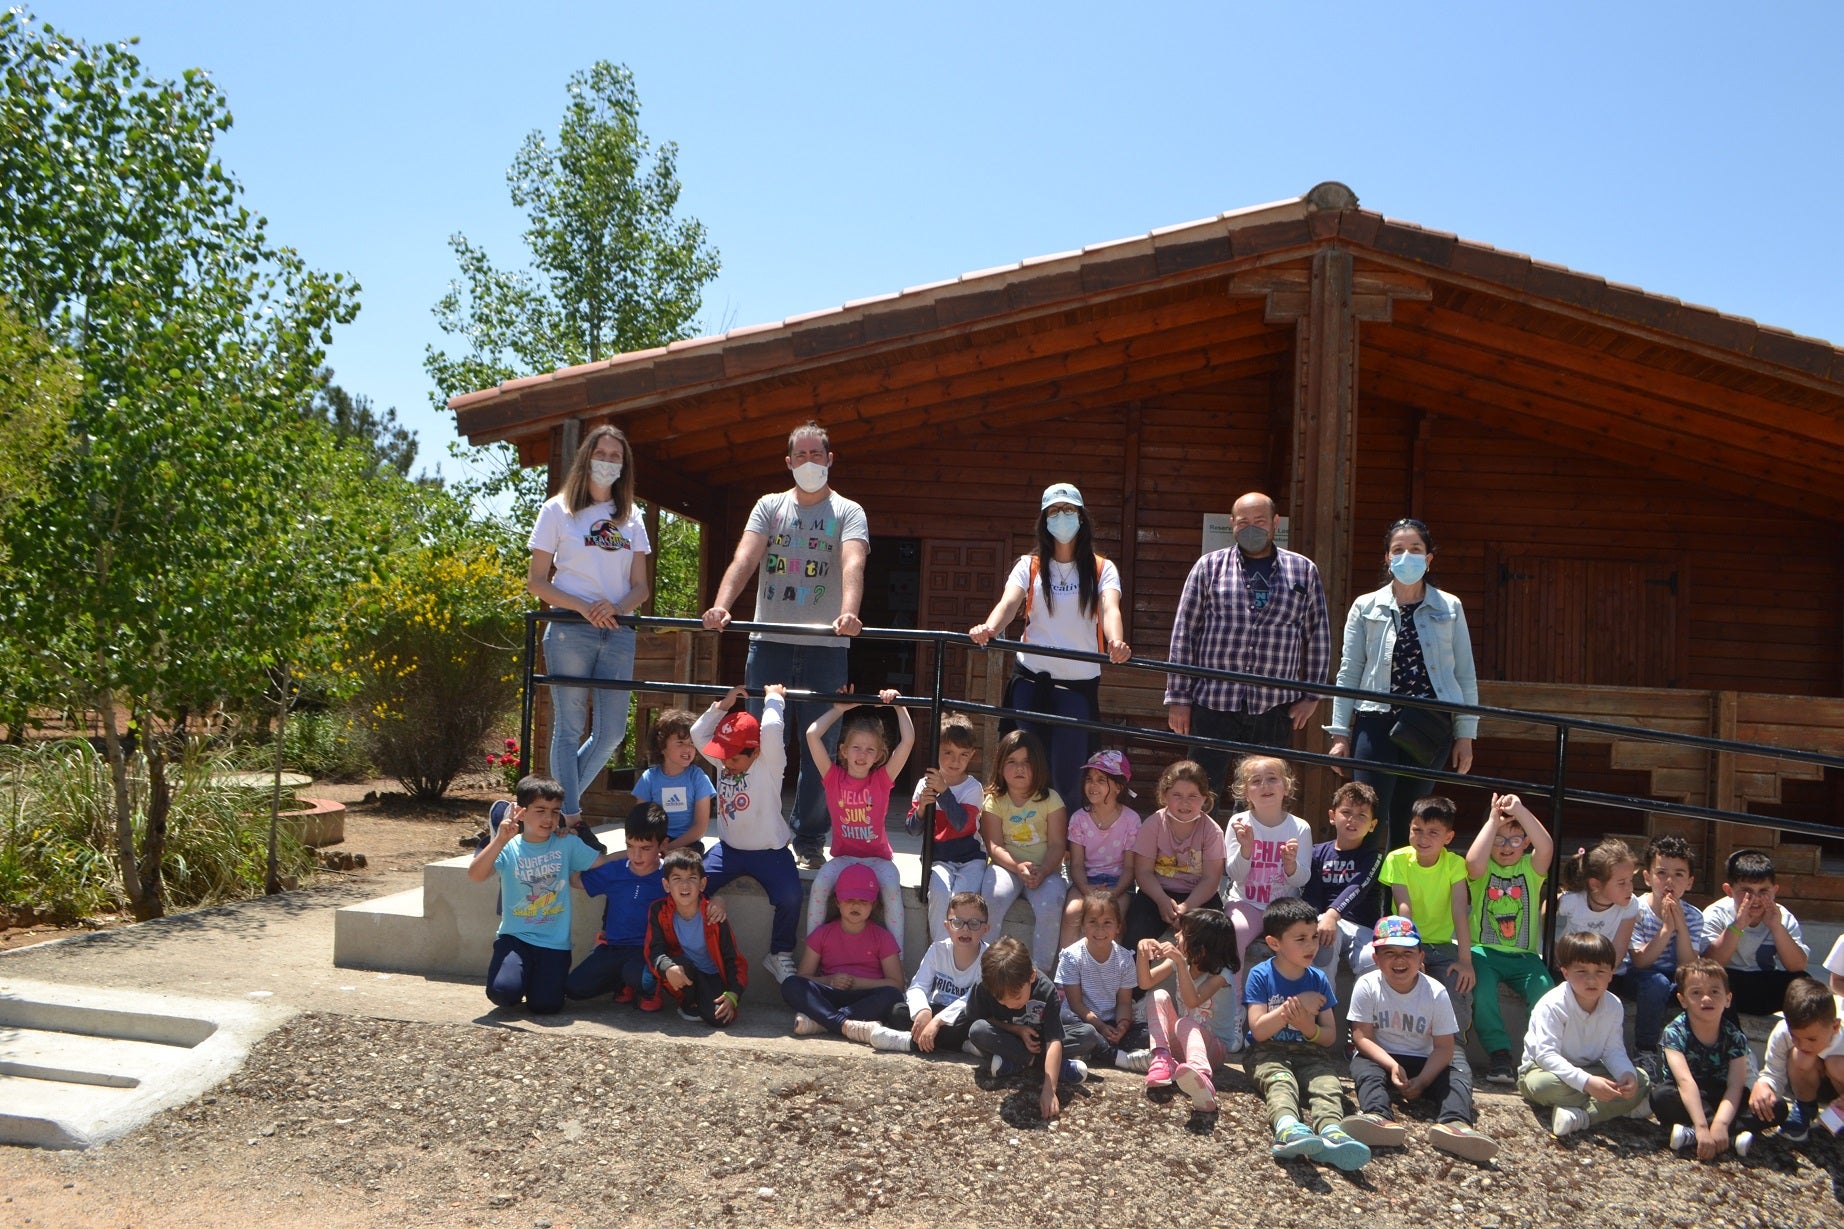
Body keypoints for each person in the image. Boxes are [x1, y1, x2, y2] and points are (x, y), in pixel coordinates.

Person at [702, 421, 870, 870]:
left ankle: (810, 837)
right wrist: (720, 606)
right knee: (754, 741)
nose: (809, 462)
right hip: (769, 644)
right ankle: (755, 828)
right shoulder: (769, 506)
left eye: (818, 454)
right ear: (789, 462)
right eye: (801, 455)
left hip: (825, 648)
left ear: (830, 459)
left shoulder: (848, 510)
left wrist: (849, 612)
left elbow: (853, 560)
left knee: (819, 746)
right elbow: (746, 556)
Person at [968, 482, 1131, 805]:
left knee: (1069, 768)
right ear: (1043, 520)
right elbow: (1009, 604)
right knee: (1024, 763)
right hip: (1031, 679)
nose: (1062, 517)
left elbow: (1110, 607)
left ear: (1082, 517)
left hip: (1077, 685)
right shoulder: (1029, 566)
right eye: (1054, 512)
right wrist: (989, 627)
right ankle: (1021, 836)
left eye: (1069, 510)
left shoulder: (1102, 568)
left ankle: (1066, 841)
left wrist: (1116, 641)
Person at [1164, 491, 1330, 804]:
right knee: (1201, 789)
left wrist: (1312, 696)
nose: (1251, 528)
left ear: (1275, 523)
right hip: (1213, 701)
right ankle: (1196, 853)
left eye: (1259, 521)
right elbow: (1184, 633)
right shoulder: (1208, 568)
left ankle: (1253, 853)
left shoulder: (1303, 571)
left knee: (1262, 795)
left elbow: (1318, 634)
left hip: (1273, 705)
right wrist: (1178, 697)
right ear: (1232, 524)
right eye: (1243, 522)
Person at [526, 424, 652, 836]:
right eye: (602, 453)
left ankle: (554, 807)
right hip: (569, 631)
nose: (608, 461)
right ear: (586, 457)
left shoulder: (633, 518)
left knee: (613, 730)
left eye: (617, 456)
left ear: (624, 466)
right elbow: (537, 581)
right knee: (568, 727)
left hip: (618, 631)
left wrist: (613, 610)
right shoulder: (557, 510)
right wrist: (584, 607)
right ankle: (573, 819)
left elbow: (641, 587)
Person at [1324, 518, 1479, 848]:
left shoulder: (1450, 606)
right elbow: (1349, 672)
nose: (1406, 556)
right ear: (1387, 558)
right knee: (1367, 816)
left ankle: (1396, 899)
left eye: (1415, 549)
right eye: (1398, 550)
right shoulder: (1365, 606)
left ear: (1429, 558)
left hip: (1428, 725)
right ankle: (1361, 896)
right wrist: (1340, 733)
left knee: (1410, 821)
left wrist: (1466, 732)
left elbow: (1464, 673)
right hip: (1374, 722)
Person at [1340, 917, 1499, 1163]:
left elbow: (1445, 1047)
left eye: (1407, 952)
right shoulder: (1367, 984)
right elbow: (1362, 1036)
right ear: (1376, 959)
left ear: (1421, 957)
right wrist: (1392, 1065)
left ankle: (1455, 1124)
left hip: (1427, 1059)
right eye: (1389, 953)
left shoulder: (1435, 991)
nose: (1399, 960)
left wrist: (1424, 1080)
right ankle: (1377, 1115)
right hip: (1384, 1055)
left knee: (1457, 1075)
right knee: (1363, 1068)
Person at [1243, 897, 1368, 1170]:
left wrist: (1307, 1027)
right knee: (1280, 1082)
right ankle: (1288, 1129)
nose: (1311, 945)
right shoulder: (1260, 975)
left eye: (1313, 936)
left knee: (1327, 1084)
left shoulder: (1318, 979)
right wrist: (1295, 1007)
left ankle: (1332, 1133)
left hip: (1310, 1052)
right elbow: (1259, 1030)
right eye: (1300, 939)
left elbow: (1329, 1036)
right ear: (1274, 943)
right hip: (1267, 1052)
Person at [689, 684, 802, 984]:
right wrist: (721, 708)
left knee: (791, 896)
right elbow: (698, 735)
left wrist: (774, 699)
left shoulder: (770, 764)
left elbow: (772, 730)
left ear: (756, 751)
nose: (725, 763)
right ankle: (692, 945)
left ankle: (780, 954)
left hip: (770, 852)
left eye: (734, 759)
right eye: (723, 756)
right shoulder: (724, 759)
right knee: (689, 884)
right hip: (728, 851)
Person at [469, 775, 609, 1015]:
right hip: (516, 938)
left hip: (554, 944)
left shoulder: (566, 844)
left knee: (546, 1006)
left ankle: (535, 979)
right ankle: (516, 974)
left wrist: (639, 856)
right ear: (522, 813)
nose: (549, 818)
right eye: (540, 810)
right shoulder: (510, 846)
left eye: (555, 812)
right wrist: (500, 840)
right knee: (503, 992)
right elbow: (476, 875)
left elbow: (602, 861)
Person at [804, 689, 914, 959]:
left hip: (878, 859)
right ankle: (812, 953)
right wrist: (839, 709)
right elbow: (811, 734)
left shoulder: (881, 779)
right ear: (843, 750)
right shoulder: (833, 777)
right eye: (856, 747)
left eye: (870, 750)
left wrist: (899, 706)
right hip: (843, 857)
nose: (862, 755)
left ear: (878, 755)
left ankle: (895, 959)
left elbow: (908, 741)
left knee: (891, 887)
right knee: (819, 884)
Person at [1518, 931, 1651, 1138]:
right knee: (1542, 1086)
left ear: (1611, 973)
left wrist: (1626, 1075)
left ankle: (1582, 1116)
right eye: (1581, 971)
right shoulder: (1553, 1004)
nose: (1591, 979)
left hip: (1591, 1068)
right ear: (1565, 972)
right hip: (1544, 1071)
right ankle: (1617, 1107)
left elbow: (1613, 1050)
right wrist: (1587, 1083)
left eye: (1600, 971)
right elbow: (1546, 1056)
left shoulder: (1613, 1005)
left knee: (1640, 1079)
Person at [1463, 793, 1555, 1086]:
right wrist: (1493, 820)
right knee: (1483, 992)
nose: (1506, 847)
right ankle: (1500, 1054)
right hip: (1484, 953)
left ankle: (1542, 1055)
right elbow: (1472, 861)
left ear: (1525, 843)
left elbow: (1547, 846)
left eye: (1515, 840)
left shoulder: (1531, 868)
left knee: (1545, 992)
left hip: (1525, 958)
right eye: (1499, 840)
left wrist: (1520, 811)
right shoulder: (1483, 871)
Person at [1223, 754, 1312, 1040]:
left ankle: (1293, 1017)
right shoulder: (1238, 822)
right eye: (1256, 781)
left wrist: (1290, 866)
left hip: (1283, 907)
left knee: (1299, 943)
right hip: (1245, 902)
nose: (1265, 786)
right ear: (1245, 791)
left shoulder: (1300, 827)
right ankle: (1235, 1012)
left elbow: (1302, 879)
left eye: (1272, 778)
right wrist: (1246, 849)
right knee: (1234, 932)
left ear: (1286, 786)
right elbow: (1235, 874)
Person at [963, 936, 1100, 1122]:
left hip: (1040, 1038)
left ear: (1032, 976)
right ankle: (1053, 1066)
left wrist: (1049, 1089)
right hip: (1010, 1038)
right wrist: (1015, 1029)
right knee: (977, 1031)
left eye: (1017, 997)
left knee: (1088, 1035)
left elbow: (1054, 1040)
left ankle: (1015, 1063)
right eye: (1001, 1000)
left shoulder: (1045, 989)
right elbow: (979, 1018)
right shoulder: (986, 984)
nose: (1011, 1005)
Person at [842, 891, 990, 1055]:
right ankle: (959, 1045)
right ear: (947, 926)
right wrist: (923, 1011)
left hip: (958, 1016)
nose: (965, 929)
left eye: (974, 924)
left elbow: (970, 1000)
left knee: (973, 1023)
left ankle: (907, 1042)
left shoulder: (989, 958)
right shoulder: (937, 949)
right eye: (957, 922)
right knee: (897, 1011)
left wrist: (937, 1022)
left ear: (986, 929)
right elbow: (918, 985)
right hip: (934, 1009)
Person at [565, 803, 682, 1009]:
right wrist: (573, 846)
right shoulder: (615, 870)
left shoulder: (669, 876)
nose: (636, 856)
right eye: (630, 846)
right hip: (613, 948)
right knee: (574, 988)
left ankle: (648, 989)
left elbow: (697, 895)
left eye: (645, 848)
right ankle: (623, 984)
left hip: (648, 950)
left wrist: (718, 902)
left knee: (635, 973)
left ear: (663, 844)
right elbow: (576, 881)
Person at [1378, 797, 1474, 1038]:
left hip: (1441, 946)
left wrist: (1465, 960)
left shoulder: (1454, 864)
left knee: (1456, 986)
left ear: (1448, 837)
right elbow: (1404, 907)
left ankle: (1454, 1047)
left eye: (1433, 832)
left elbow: (1460, 910)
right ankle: (1396, 1040)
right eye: (1417, 830)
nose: (1423, 838)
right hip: (1407, 940)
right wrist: (1411, 950)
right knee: (1402, 983)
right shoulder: (1397, 859)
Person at [1133, 907, 1240, 1112]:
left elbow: (1192, 1001)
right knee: (1157, 995)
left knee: (1185, 1022)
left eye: (1183, 933)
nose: (1176, 936)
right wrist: (1141, 952)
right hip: (1184, 1041)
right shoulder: (1183, 962)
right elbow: (1145, 982)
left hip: (1214, 1050)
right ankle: (1162, 1058)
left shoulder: (1222, 974)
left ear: (1201, 947)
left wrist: (1180, 963)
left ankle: (1201, 1075)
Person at [979, 729, 1068, 972]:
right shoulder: (994, 801)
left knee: (1052, 903)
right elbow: (994, 846)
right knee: (993, 898)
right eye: (1012, 762)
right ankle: (989, 967)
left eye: (1027, 762)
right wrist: (1017, 867)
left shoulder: (1051, 800)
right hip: (1006, 867)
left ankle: (1040, 974)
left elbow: (1058, 844)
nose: (1020, 769)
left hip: (1045, 870)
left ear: (1038, 765)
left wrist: (1044, 870)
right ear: (1000, 766)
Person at [781, 863, 905, 1037]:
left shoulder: (882, 937)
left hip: (864, 995)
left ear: (874, 905)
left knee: (892, 996)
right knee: (791, 984)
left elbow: (897, 984)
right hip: (831, 993)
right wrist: (829, 980)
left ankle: (824, 1022)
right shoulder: (822, 934)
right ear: (837, 902)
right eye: (849, 900)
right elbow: (803, 977)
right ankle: (845, 1024)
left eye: (863, 901)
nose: (856, 906)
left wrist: (857, 982)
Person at [1655, 959, 1756, 1160]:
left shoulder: (1735, 1037)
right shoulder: (1674, 1032)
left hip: (1721, 1095)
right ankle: (1724, 1136)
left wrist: (1721, 1123)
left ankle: (1699, 1134)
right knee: (1660, 1096)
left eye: (1714, 992)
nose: (1706, 998)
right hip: (1687, 1094)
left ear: (1728, 999)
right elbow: (1685, 1082)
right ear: (1682, 1000)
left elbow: (1735, 1085)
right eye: (1696, 993)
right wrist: (1703, 1126)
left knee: (1774, 1108)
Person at [1624, 835, 1708, 1078]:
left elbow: (1688, 965)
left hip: (1675, 977)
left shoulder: (1693, 916)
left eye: (1679, 874)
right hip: (1641, 977)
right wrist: (1666, 929)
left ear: (1690, 882)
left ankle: (1699, 1056)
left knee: (1706, 986)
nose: (1669, 881)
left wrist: (1680, 925)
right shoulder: (1636, 909)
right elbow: (1640, 960)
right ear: (1648, 877)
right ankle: (1645, 1049)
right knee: (1656, 983)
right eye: (1661, 873)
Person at [1123, 760, 1228, 950]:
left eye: (1193, 796)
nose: (1185, 802)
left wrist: (1186, 908)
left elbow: (1211, 879)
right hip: (1157, 892)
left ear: (1205, 798)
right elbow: (1144, 872)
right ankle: (1134, 980)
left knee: (1214, 935)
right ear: (1165, 796)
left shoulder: (1212, 831)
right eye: (1177, 795)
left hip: (1199, 895)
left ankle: (1206, 980)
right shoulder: (1153, 824)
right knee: (1135, 935)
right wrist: (1162, 901)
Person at [1701, 849, 1810, 1018]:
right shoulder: (1716, 913)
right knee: (1705, 981)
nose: (1756, 899)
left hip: (1763, 981)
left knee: (1805, 984)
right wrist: (1738, 925)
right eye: (1747, 891)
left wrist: (1776, 927)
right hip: (1728, 981)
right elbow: (1709, 963)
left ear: (1774, 890)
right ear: (1729, 890)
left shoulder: (1782, 916)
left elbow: (1797, 966)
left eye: (1763, 891)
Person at [908, 713, 987, 944]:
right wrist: (922, 808)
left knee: (962, 900)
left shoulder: (973, 788)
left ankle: (962, 952)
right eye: (948, 753)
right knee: (940, 894)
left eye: (963, 754)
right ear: (936, 752)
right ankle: (939, 952)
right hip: (939, 859)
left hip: (970, 859)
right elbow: (912, 830)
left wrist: (943, 792)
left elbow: (961, 823)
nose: (955, 761)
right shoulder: (924, 784)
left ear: (972, 755)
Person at [645, 849, 747, 1027]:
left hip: (711, 975)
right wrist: (667, 967)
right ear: (666, 885)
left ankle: (702, 1000)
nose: (685, 885)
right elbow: (654, 950)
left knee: (721, 1019)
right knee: (678, 965)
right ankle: (687, 1002)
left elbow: (733, 959)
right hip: (683, 971)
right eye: (677, 879)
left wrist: (733, 994)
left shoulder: (714, 915)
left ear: (702, 883)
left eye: (692, 878)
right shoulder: (659, 911)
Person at [1056, 889, 1149, 1072]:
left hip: (1110, 1021)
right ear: (1083, 925)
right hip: (1083, 1020)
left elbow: (1124, 1002)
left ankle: (1092, 1050)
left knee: (1147, 1033)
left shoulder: (1124, 958)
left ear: (1118, 927)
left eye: (1107, 923)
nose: (1100, 930)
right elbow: (1075, 1004)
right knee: (1069, 1022)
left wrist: (1122, 1024)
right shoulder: (1072, 956)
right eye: (1093, 922)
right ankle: (1117, 1057)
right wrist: (1098, 1025)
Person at [1745, 975, 1844, 1143]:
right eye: (1795, 1037)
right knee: (1800, 1057)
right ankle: (1805, 1108)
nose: (1803, 1044)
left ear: (1834, 1027)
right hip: (1816, 1081)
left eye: (1812, 1039)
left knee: (1836, 1064)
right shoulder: (1783, 1032)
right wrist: (1763, 1085)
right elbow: (1773, 1072)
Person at [1057, 749, 1141, 948]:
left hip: (1119, 885)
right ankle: (1065, 974)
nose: (1092, 785)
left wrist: (1114, 892)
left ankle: (1109, 976)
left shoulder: (1131, 820)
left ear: (1119, 786)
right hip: (1086, 881)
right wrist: (1086, 889)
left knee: (1114, 918)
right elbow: (1076, 864)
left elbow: (1130, 868)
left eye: (1101, 780)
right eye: (1089, 779)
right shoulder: (1079, 818)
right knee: (1072, 913)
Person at [1305, 781, 1384, 983]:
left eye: (1362, 815)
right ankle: (1324, 1011)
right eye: (1346, 812)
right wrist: (1319, 920)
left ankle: (1364, 1015)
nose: (1352, 820)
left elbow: (1357, 887)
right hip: (1326, 925)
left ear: (1372, 825)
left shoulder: (1372, 857)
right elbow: (1312, 894)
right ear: (1332, 816)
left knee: (1373, 961)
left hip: (1362, 927)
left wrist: (1333, 914)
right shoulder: (1316, 853)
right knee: (1322, 944)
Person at [632, 708, 715, 853]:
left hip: (688, 844)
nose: (688, 748)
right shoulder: (649, 778)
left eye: (692, 743)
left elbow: (700, 828)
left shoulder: (698, 778)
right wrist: (653, 848)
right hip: (655, 843)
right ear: (662, 746)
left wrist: (669, 848)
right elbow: (640, 822)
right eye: (681, 742)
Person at [1555, 838, 1641, 977]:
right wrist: (1554, 949)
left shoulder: (1630, 905)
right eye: (1621, 883)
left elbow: (1619, 950)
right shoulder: (1573, 900)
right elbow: (1547, 909)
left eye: (1630, 880)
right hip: (1572, 969)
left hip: (1607, 973)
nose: (1630, 888)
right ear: (1595, 884)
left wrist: (1600, 975)